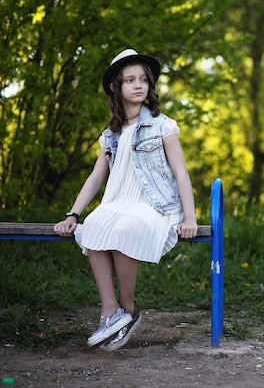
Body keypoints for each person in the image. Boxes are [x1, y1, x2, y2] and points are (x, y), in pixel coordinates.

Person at [54, 49, 198, 351]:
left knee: (125, 231)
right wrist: (73, 215)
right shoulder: (109, 136)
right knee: (94, 225)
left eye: (143, 79)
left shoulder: (162, 126)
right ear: (115, 87)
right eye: (130, 80)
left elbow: (181, 173)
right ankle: (110, 310)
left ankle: (129, 309)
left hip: (156, 206)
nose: (138, 85)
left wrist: (190, 217)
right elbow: (95, 178)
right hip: (118, 203)